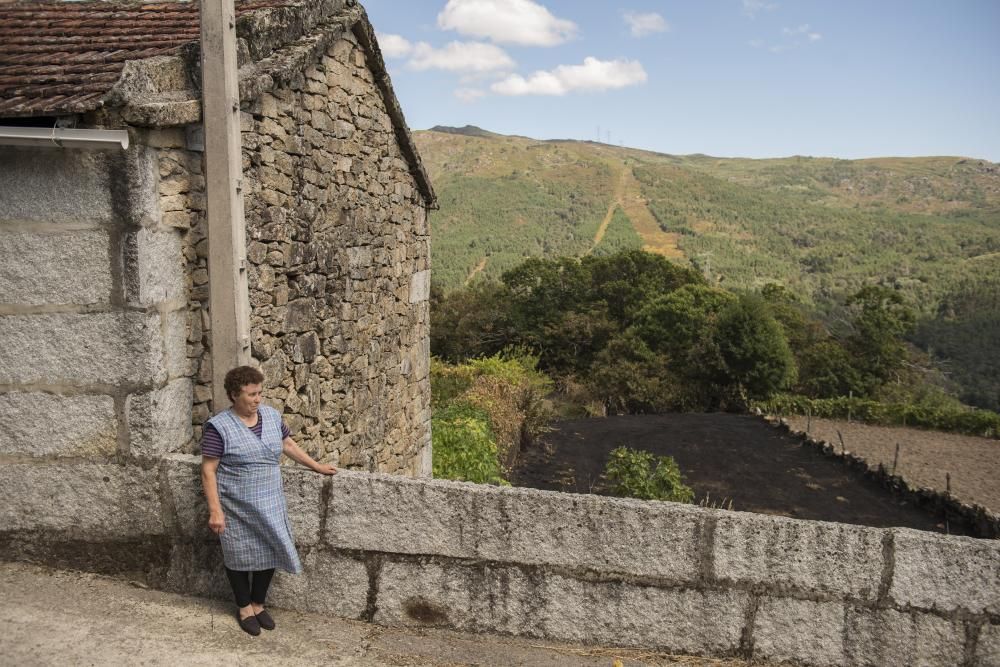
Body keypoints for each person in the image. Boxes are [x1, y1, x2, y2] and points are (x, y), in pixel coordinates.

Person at [201, 365, 336, 636]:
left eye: (259, 393)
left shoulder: (272, 417)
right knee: (238, 555)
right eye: (250, 395)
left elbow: (288, 445)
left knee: (272, 548)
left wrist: (316, 466)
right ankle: (243, 607)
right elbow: (208, 470)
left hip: (270, 500)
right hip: (236, 505)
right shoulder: (219, 427)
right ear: (233, 395)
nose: (257, 399)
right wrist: (215, 511)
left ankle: (258, 603)